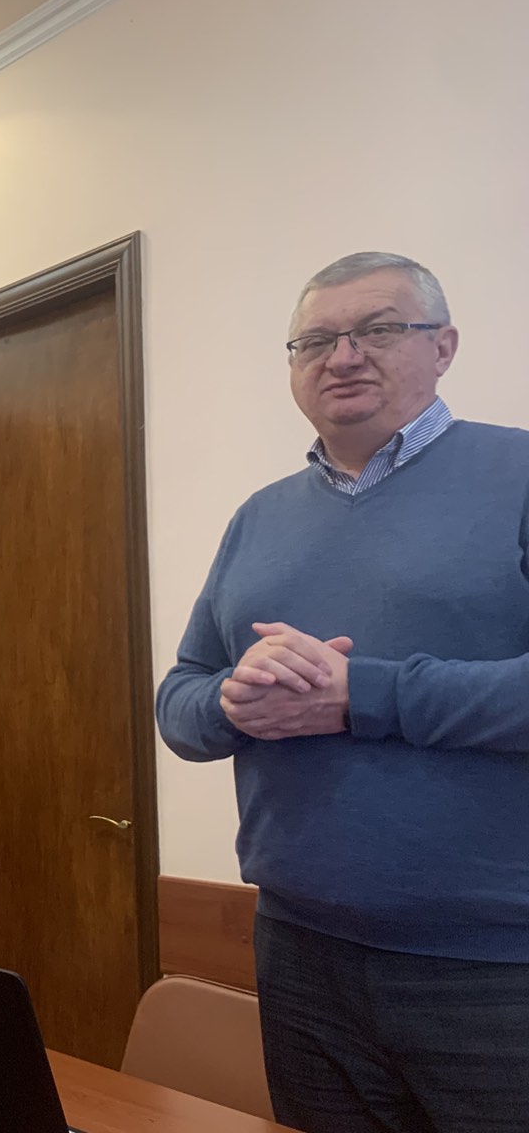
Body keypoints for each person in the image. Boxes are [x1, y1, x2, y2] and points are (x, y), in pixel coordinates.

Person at [156, 251, 529, 1132]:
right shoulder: (258, 516)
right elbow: (180, 700)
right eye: (316, 340)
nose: (344, 356)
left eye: (378, 330)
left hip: (493, 964)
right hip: (297, 949)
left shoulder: (516, 473)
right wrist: (232, 703)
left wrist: (364, 694)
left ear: (443, 347)